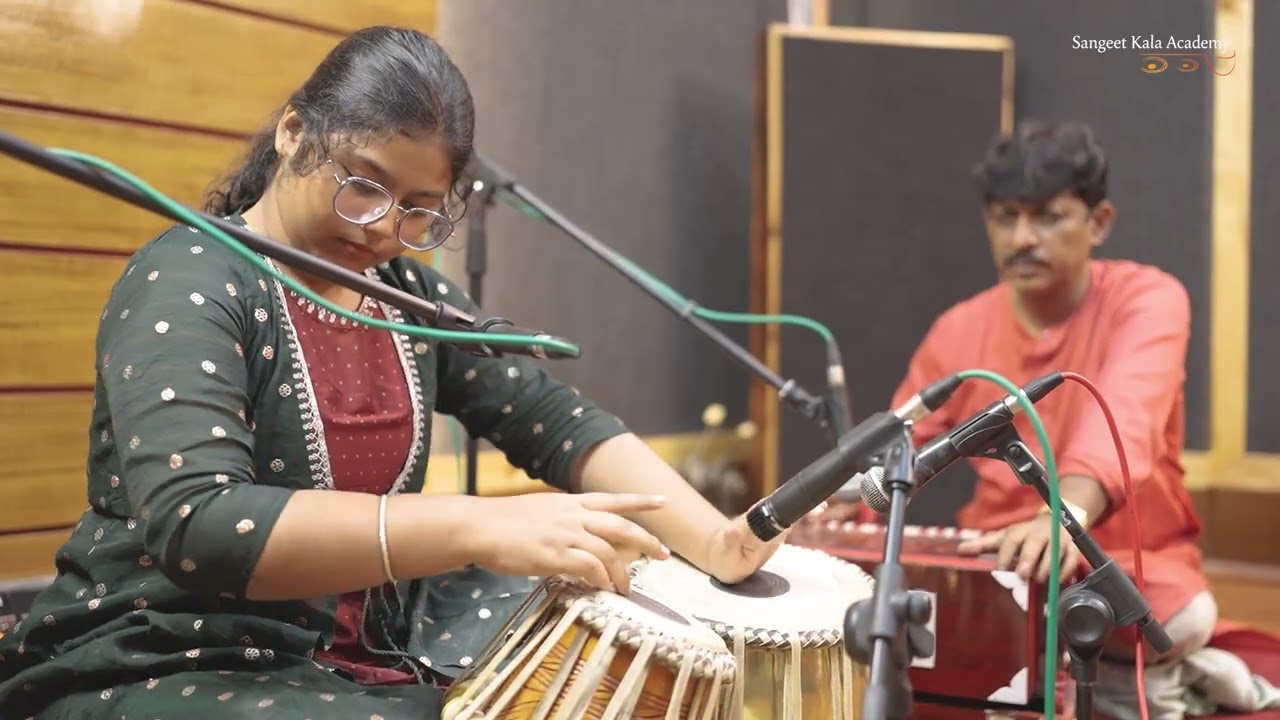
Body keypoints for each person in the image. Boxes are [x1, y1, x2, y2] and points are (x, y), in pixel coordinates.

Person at [0, 26, 782, 719]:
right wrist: (478, 526)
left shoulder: (403, 294)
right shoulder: (190, 275)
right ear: (294, 133)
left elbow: (554, 422)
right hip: (176, 651)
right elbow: (201, 525)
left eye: (417, 209)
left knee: (596, 634)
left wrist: (713, 541)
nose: (383, 227)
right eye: (363, 186)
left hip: (375, 633)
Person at [817, 120, 1216, 720]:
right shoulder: (960, 327)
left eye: (1048, 217)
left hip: (1112, 556)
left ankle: (1035, 667)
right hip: (1001, 559)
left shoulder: (1149, 300)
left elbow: (1126, 415)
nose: (1022, 238)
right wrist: (839, 502)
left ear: (1099, 222)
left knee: (1183, 615)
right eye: (1006, 218)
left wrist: (1064, 516)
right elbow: (900, 443)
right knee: (872, 591)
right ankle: (1082, 674)